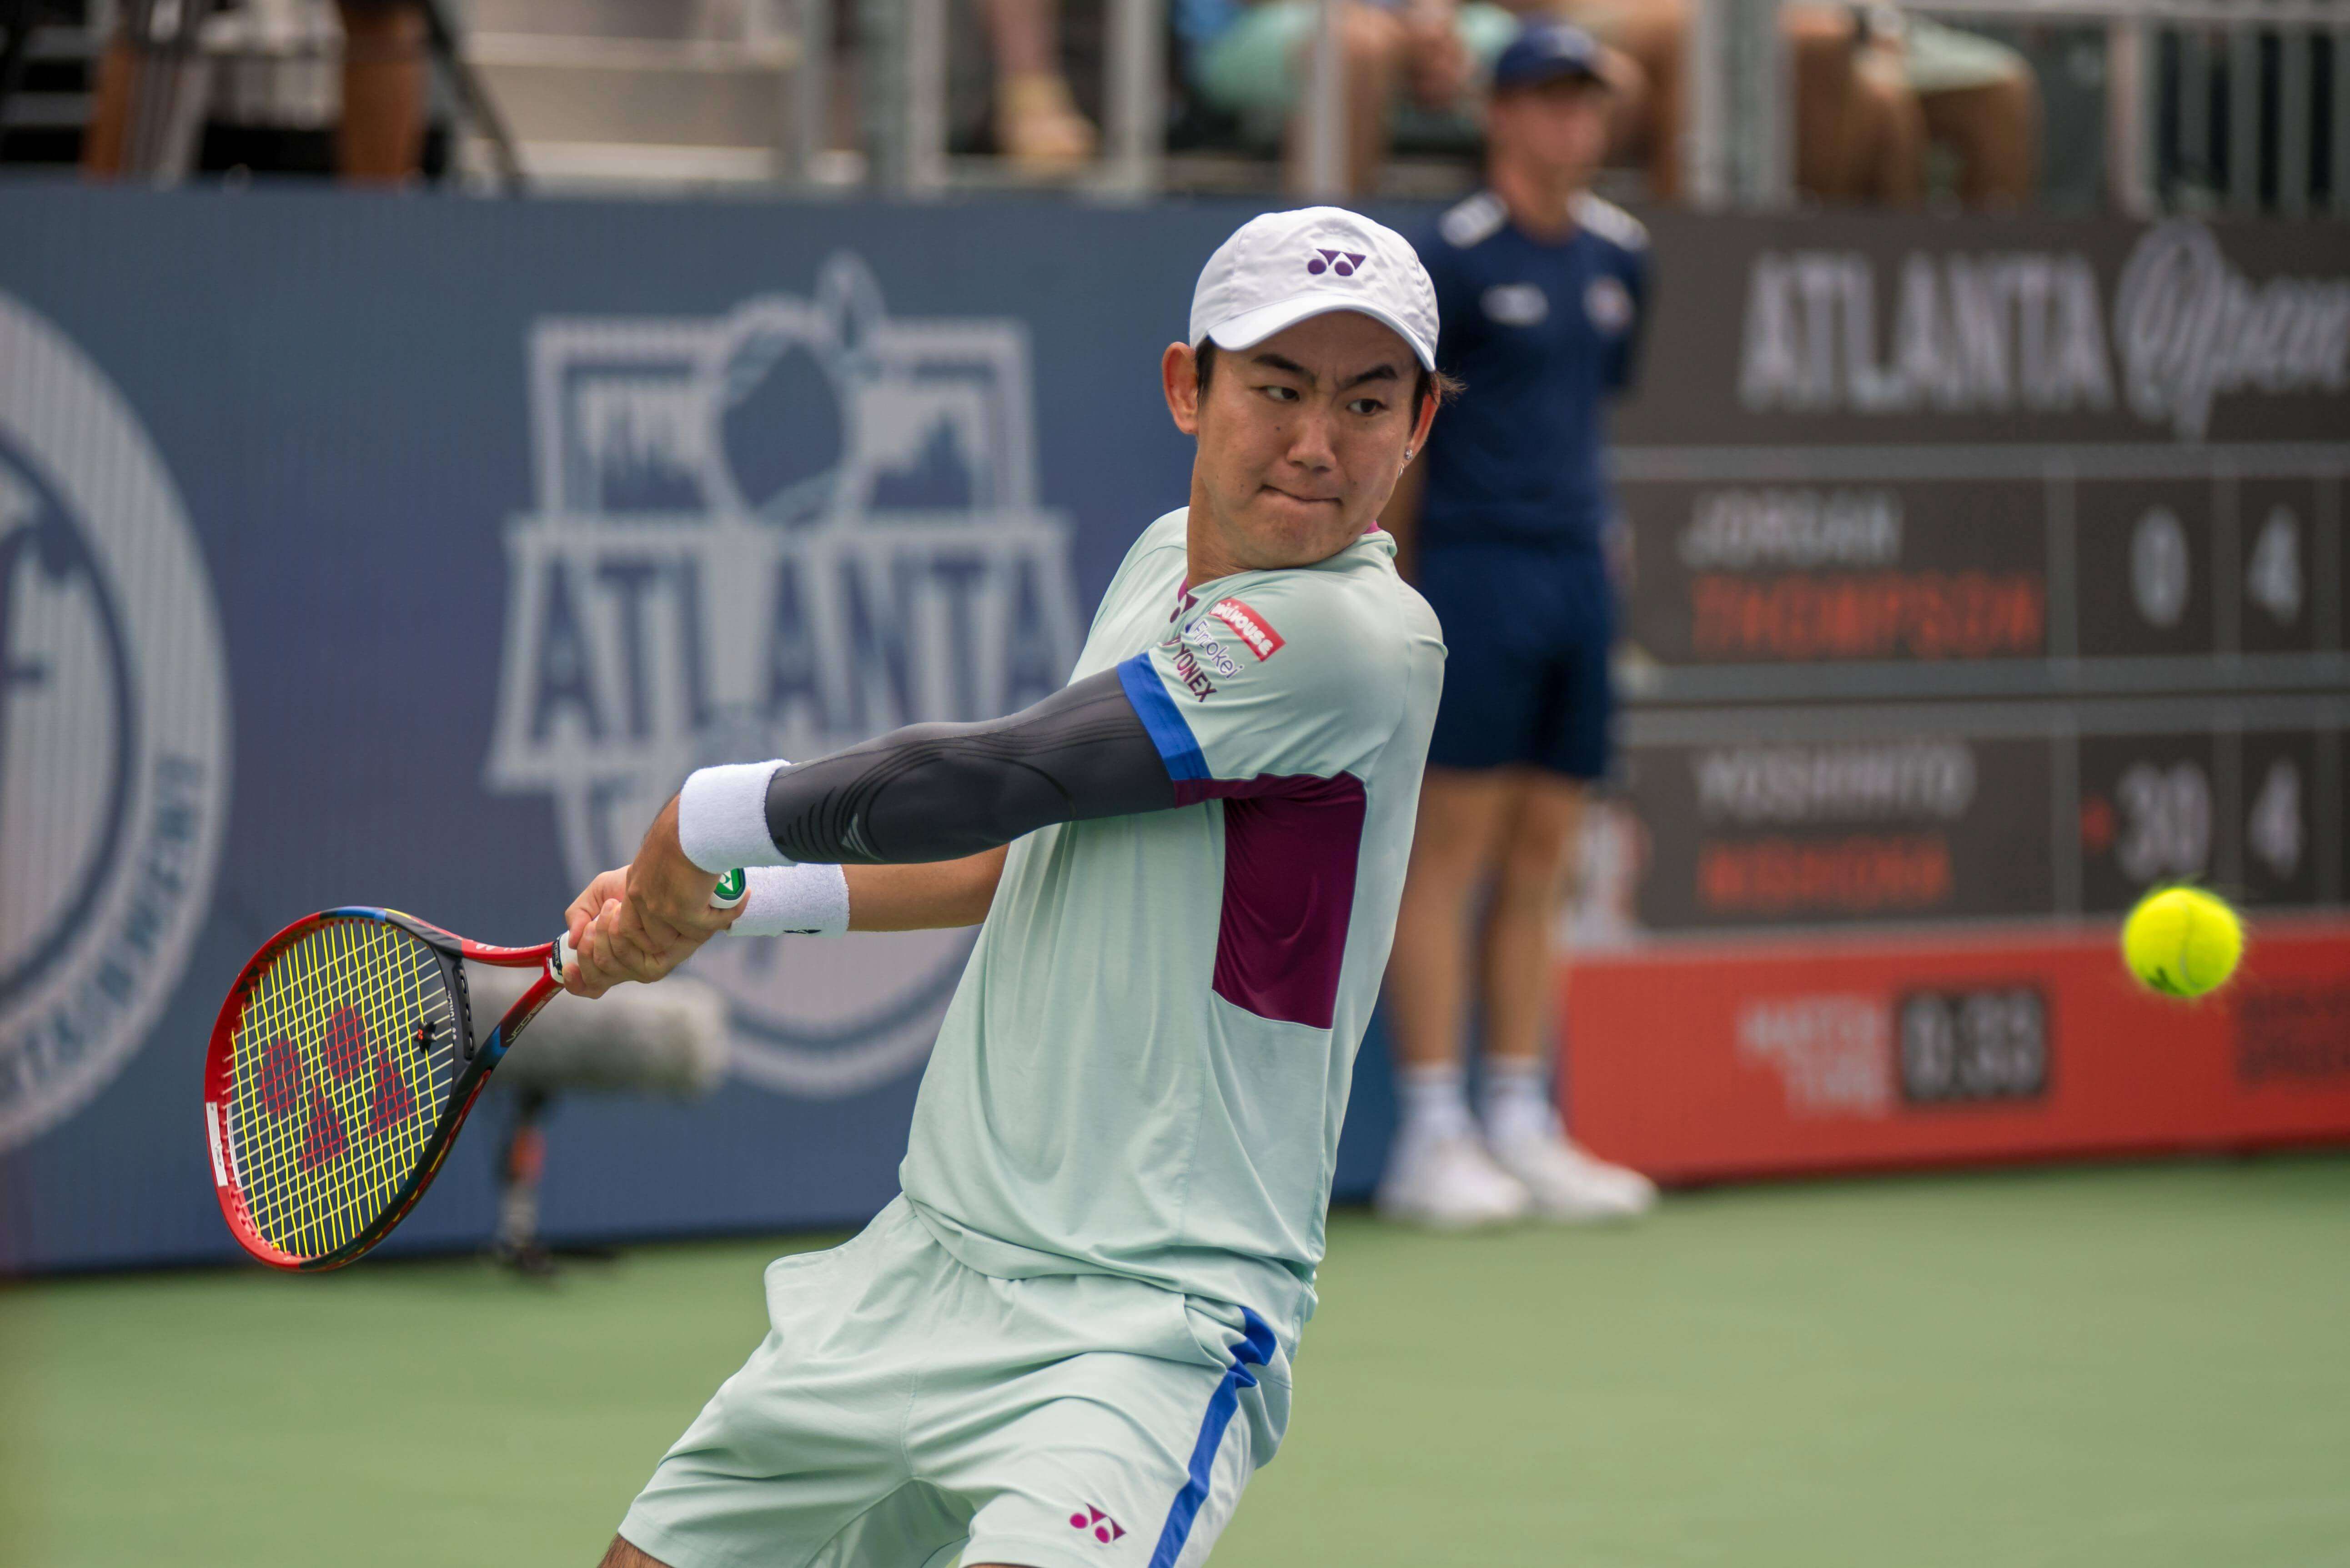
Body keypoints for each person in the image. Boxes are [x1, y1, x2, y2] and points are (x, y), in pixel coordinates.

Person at [562, 205, 1449, 1568]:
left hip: (1145, 1326)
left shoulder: (1356, 640)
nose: (1319, 443)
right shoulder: (1168, 562)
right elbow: (1026, 853)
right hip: (924, 1263)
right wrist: (738, 898)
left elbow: (1005, 779)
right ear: (1187, 386)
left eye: (1365, 401)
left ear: (1420, 423)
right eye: (1277, 388)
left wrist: (709, 818)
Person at [1377, 20, 1657, 1230]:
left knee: (1548, 855)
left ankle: (1522, 1116)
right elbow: (1401, 441)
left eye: (1585, 101)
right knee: (1453, 856)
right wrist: (1385, 589)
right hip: (1475, 576)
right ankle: (1431, 1135)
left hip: (1578, 578)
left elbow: (1594, 407)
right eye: (1544, 100)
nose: (1569, 123)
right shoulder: (1445, 256)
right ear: (1498, 116)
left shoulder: (1622, 257)